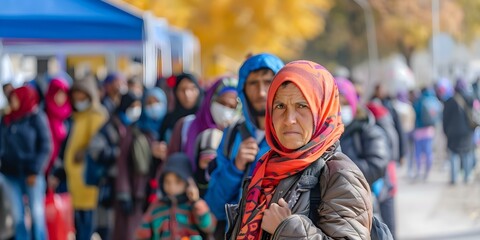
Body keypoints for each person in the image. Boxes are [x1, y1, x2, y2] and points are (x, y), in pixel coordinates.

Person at [227, 60, 372, 239]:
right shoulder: (266, 168)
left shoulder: (340, 175)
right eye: (280, 106)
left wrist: (286, 228)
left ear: (322, 111)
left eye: (302, 106)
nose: (289, 119)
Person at [204, 53, 284, 238]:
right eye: (253, 83)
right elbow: (215, 205)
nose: (261, 92)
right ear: (243, 88)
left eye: (268, 82)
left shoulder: (291, 135)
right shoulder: (232, 134)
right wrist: (235, 168)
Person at [0, 86, 52, 240]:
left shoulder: (36, 117)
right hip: (10, 174)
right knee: (18, 215)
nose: (13, 102)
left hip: (32, 174)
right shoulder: (7, 119)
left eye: (16, 98)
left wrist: (35, 170)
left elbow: (46, 146)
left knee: (37, 214)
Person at [64, 76, 108, 240]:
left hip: (88, 178)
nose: (79, 100)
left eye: (82, 96)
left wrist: (83, 151)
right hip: (75, 179)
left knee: (88, 224)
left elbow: (97, 142)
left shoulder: (96, 114)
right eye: (76, 96)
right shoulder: (77, 116)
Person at [136, 153, 216, 240]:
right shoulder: (156, 206)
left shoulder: (193, 206)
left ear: (188, 182)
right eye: (167, 181)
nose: (172, 187)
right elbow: (142, 233)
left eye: (177, 182)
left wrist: (196, 202)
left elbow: (209, 227)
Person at [335, 77, 390, 187]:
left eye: (345, 104)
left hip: (360, 196)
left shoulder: (369, 130)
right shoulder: (320, 134)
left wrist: (336, 170)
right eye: (336, 104)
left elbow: (376, 166)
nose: (341, 109)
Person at [113, 92, 152, 240]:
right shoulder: (123, 130)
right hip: (129, 191)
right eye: (132, 106)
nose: (136, 110)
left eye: (138, 106)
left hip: (142, 190)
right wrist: (123, 192)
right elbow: (121, 165)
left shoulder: (143, 129)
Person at [443, 79, 477, 184]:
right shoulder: (470, 98)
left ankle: (454, 178)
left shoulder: (449, 100)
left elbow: (445, 118)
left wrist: (446, 131)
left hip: (452, 132)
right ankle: (467, 177)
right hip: (467, 131)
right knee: (467, 153)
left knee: (453, 154)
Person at [159, 73, 203, 143]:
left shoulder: (205, 118)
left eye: (192, 89)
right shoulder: (169, 119)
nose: (187, 94)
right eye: (182, 90)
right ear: (175, 92)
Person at [412, 87, 442, 180]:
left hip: (418, 130)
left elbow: (415, 114)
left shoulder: (419, 101)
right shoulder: (434, 100)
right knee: (429, 152)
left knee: (418, 153)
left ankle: (419, 171)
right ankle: (427, 171)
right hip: (429, 129)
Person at [44, 78, 72, 176]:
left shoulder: (69, 115)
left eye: (64, 94)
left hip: (62, 167)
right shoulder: (43, 114)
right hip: (44, 165)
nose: (61, 97)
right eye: (58, 93)